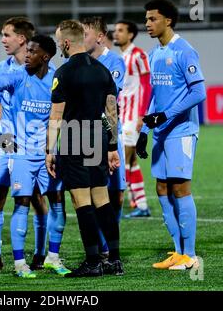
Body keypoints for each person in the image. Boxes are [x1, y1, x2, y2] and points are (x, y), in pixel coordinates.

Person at [0, 34, 69, 278]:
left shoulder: (56, 80)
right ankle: (18, 262)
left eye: (32, 51)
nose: (26, 55)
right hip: (16, 152)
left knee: (57, 202)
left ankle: (52, 256)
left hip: (48, 153)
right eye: (26, 50)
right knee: (20, 202)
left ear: (46, 57)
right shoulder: (18, 74)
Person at [46, 20, 123, 277]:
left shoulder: (63, 73)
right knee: (102, 199)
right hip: (97, 135)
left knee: (81, 202)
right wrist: (112, 146)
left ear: (67, 42)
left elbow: (56, 116)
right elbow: (111, 112)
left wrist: (50, 149)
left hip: (73, 136)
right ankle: (113, 259)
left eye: (59, 42)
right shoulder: (102, 70)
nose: (59, 46)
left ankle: (92, 262)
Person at [137, 0, 206, 270]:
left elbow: (198, 92)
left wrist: (165, 115)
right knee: (162, 187)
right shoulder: (153, 54)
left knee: (180, 188)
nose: (147, 24)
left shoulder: (184, 50)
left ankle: (190, 255)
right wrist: (144, 130)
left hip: (182, 131)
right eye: (146, 19)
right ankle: (177, 251)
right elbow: (154, 96)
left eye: (152, 19)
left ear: (168, 20)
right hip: (161, 133)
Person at [81, 16, 127, 257]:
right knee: (91, 193)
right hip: (86, 136)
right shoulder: (81, 63)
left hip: (109, 135)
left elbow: (108, 99)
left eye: (85, 34)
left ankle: (108, 245)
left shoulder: (115, 62)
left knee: (116, 194)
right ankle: (101, 248)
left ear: (99, 37)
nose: (81, 40)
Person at [113, 20, 152, 218]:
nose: (116, 33)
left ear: (130, 35)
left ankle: (118, 204)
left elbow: (147, 85)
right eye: (115, 30)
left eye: (120, 30)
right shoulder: (121, 57)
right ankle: (142, 205)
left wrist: (141, 115)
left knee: (124, 162)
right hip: (123, 116)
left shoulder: (138, 55)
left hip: (132, 117)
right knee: (132, 161)